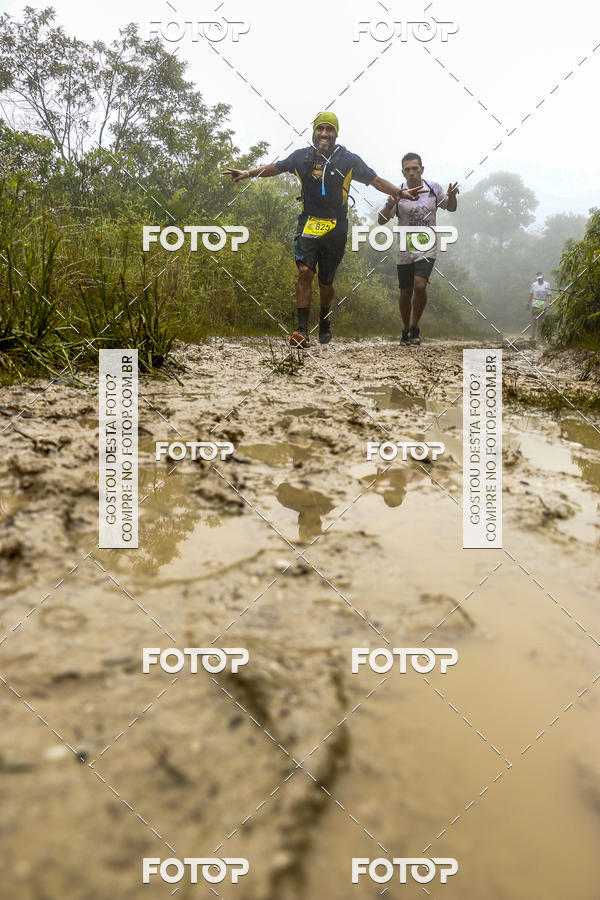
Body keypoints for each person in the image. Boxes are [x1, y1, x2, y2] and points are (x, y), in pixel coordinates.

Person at [222, 112, 420, 348]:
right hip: (308, 222)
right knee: (305, 272)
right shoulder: (301, 158)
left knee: (326, 283)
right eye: (320, 129)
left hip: (336, 226)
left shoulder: (348, 160)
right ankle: (301, 330)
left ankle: (324, 317)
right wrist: (247, 173)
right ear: (314, 132)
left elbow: (375, 181)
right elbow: (276, 167)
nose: (324, 134)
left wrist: (400, 193)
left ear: (336, 133)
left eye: (329, 130)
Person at [378, 153, 458, 346]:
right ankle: (405, 328)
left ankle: (415, 326)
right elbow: (381, 220)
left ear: (422, 169)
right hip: (405, 246)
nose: (412, 172)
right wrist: (389, 205)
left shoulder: (433, 188)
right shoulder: (398, 192)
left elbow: (451, 208)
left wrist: (452, 197)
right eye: (408, 169)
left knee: (420, 285)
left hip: (427, 244)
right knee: (405, 291)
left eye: (415, 168)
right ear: (403, 172)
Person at [527, 273, 552, 340]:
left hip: (543, 303)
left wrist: (549, 302)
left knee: (541, 320)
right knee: (534, 318)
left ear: (543, 278)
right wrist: (528, 303)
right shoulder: (534, 285)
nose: (540, 280)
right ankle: (532, 335)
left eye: (541, 278)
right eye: (538, 279)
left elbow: (549, 294)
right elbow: (531, 294)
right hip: (535, 303)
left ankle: (539, 335)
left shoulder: (547, 284)